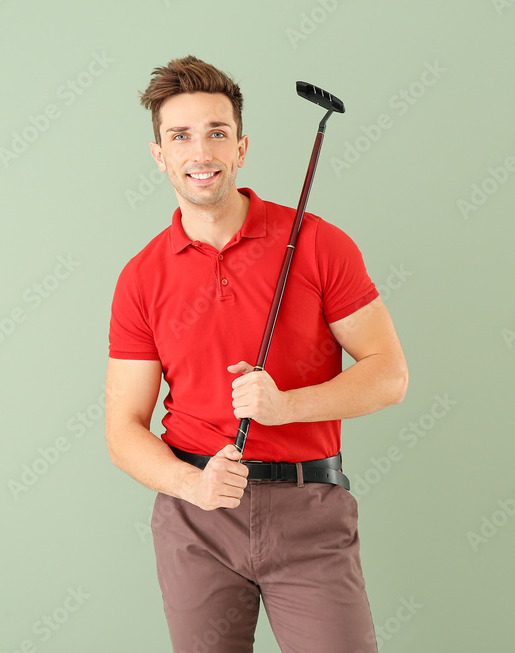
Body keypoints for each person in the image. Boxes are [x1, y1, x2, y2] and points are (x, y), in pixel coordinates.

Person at [104, 55, 407, 653]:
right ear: (158, 154)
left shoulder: (320, 244)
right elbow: (123, 430)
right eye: (180, 136)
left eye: (217, 132)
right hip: (197, 519)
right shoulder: (140, 278)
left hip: (310, 513)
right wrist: (190, 487)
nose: (201, 152)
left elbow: (388, 374)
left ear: (241, 147)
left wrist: (285, 406)